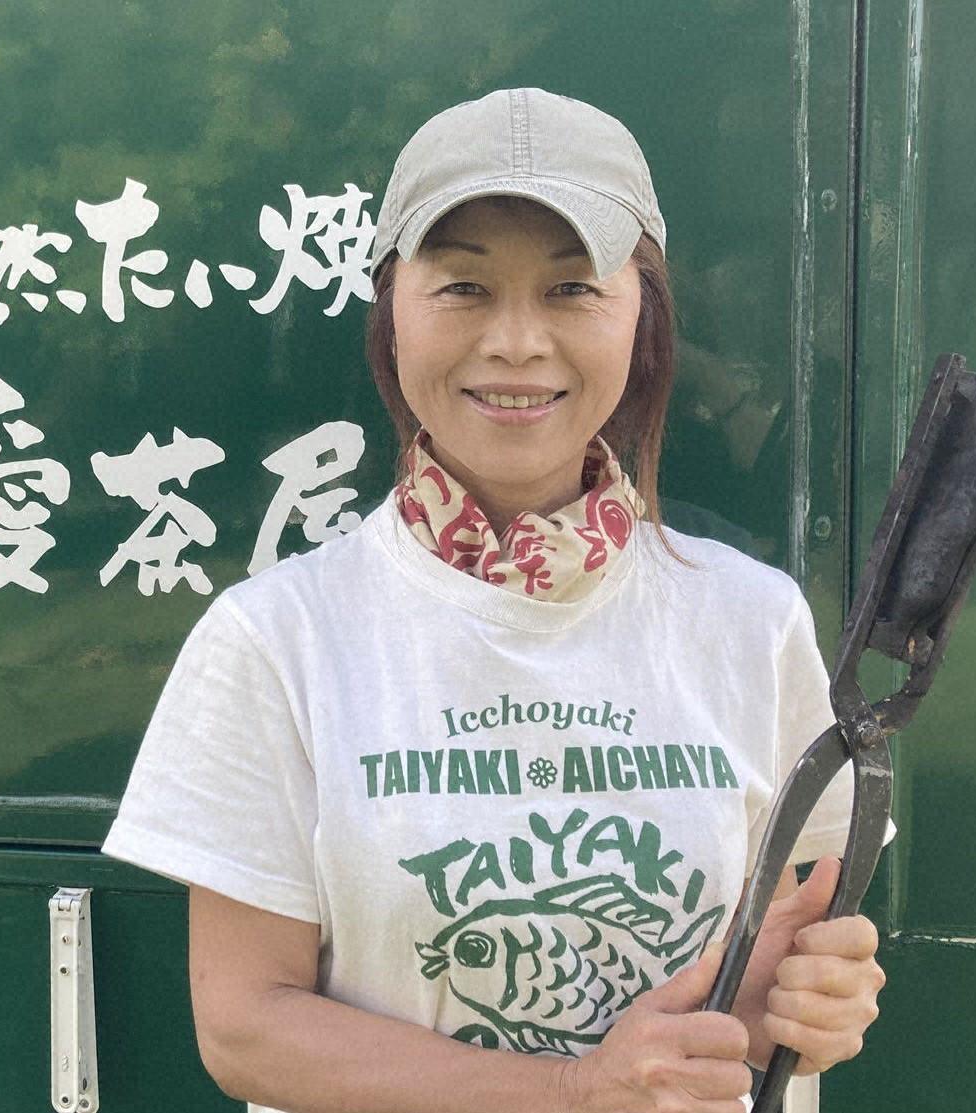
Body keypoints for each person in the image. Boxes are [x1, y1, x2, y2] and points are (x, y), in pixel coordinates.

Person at [100, 87, 897, 1113]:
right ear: (392, 310)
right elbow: (247, 1027)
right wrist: (572, 1089)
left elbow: (759, 977)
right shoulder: (277, 639)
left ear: (641, 317)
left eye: (571, 289)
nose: (517, 342)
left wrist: (796, 1005)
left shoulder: (755, 621)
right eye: (465, 286)